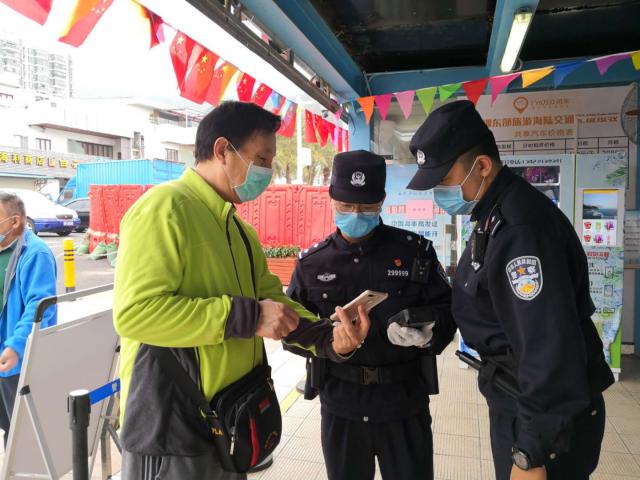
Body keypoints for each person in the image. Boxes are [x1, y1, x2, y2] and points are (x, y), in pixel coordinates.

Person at [114, 101, 369, 480]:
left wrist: (329, 338)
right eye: (262, 158)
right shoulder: (164, 208)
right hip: (172, 426)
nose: (267, 171)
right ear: (222, 150)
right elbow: (136, 314)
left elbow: (272, 301)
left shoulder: (239, 229)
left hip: (229, 418)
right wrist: (247, 317)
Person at [407, 100, 614, 480]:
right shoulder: (494, 213)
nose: (439, 191)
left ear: (482, 166)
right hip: (517, 398)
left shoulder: (520, 230)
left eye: (444, 179)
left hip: (544, 422)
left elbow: (547, 344)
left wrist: (531, 452)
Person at [286, 150, 456, 480]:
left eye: (366, 207)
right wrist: (331, 341)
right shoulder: (312, 264)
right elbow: (291, 333)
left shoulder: (414, 253)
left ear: (381, 201)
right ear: (332, 198)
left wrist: (428, 332)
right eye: (346, 205)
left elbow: (448, 311)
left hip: (403, 404)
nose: (356, 214)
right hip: (342, 405)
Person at [0, 192, 57, 446]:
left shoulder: (35, 254)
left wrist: (17, 345)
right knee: (7, 425)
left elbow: (40, 307)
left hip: (17, 359)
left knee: (20, 433)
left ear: (14, 221)